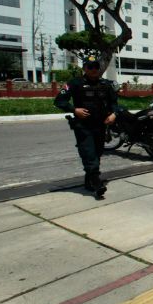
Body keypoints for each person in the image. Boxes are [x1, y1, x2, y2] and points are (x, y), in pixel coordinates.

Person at [54, 56, 119, 199]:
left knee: (97, 154)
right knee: (89, 154)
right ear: (84, 68)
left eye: (96, 66)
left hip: (100, 125)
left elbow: (114, 102)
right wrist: (74, 109)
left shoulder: (106, 84)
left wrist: (114, 114)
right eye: (90, 67)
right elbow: (59, 101)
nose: (94, 69)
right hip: (83, 126)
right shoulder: (75, 83)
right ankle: (97, 183)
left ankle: (89, 182)